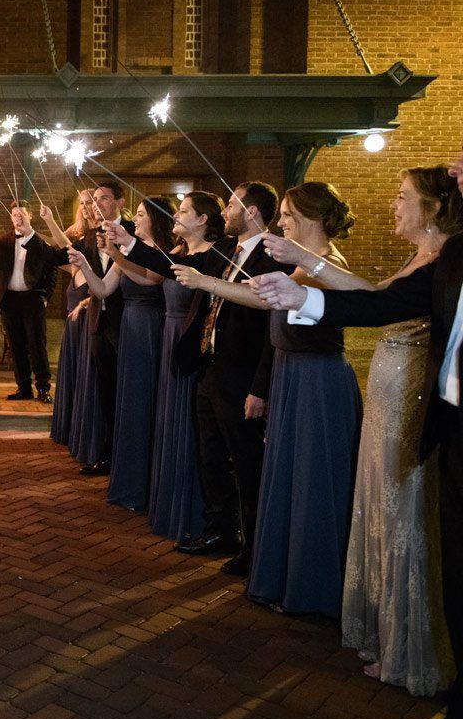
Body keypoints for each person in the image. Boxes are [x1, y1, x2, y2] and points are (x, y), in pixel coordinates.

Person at [251, 146, 463, 719]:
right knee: (384, 512)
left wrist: (305, 284)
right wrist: (304, 279)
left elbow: (379, 306)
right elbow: (379, 298)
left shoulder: (446, 258)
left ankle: (415, 650)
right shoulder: (427, 259)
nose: (393, 204)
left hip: (413, 401)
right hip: (393, 393)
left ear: (433, 207)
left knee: (408, 520)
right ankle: (392, 639)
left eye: (401, 196)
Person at [173, 182, 361, 600]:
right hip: (292, 374)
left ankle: (309, 579)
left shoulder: (326, 264)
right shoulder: (304, 263)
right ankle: (281, 564)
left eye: (290, 215)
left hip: (315, 380)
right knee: (284, 474)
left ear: (311, 219)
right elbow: (264, 298)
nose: (283, 222)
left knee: (306, 479)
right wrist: (206, 281)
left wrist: (207, 282)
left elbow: (265, 303)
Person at [106, 182, 290, 572]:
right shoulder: (228, 251)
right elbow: (173, 269)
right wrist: (128, 243)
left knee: (245, 461)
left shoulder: (272, 256)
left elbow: (272, 325)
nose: (226, 212)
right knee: (212, 457)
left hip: (241, 374)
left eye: (233, 205)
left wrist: (260, 387)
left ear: (253, 212)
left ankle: (253, 547)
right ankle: (219, 530)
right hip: (210, 367)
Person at [71, 197, 173, 506]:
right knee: (127, 399)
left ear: (155, 219)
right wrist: (85, 265)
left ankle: (149, 479)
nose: (136, 220)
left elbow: (149, 277)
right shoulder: (126, 253)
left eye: (141, 215)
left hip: (152, 328)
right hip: (129, 328)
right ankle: (128, 471)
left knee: (147, 399)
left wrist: (118, 252)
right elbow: (102, 290)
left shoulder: (164, 253)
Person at [26, 181, 134, 472]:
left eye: (104, 199)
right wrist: (29, 235)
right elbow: (60, 257)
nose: (97, 205)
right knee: (106, 390)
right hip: (99, 323)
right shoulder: (88, 236)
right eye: (93, 199)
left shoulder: (133, 233)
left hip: (130, 323)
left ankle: (129, 456)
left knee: (129, 393)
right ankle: (108, 455)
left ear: (121, 202)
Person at [147, 191, 223, 542]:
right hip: (170, 340)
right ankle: (170, 504)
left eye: (183, 211)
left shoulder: (213, 257)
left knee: (199, 435)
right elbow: (156, 265)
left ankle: (197, 516)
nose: (176, 215)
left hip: (192, 346)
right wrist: (124, 244)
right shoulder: (180, 253)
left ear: (202, 219)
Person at [0, 202, 58, 403]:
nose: (18, 218)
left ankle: (43, 388)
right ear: (10, 217)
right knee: (16, 345)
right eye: (14, 215)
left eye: (21, 214)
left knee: (37, 345)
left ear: (30, 216)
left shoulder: (40, 242)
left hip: (33, 299)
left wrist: (46, 296)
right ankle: (24, 388)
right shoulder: (4, 240)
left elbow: (52, 270)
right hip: (9, 300)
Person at [41, 192, 93, 447]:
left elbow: (66, 249)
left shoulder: (95, 244)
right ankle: (72, 428)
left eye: (90, 202)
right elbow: (62, 250)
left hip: (89, 322)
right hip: (73, 320)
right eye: (81, 203)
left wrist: (48, 223)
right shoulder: (78, 242)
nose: (85, 207)